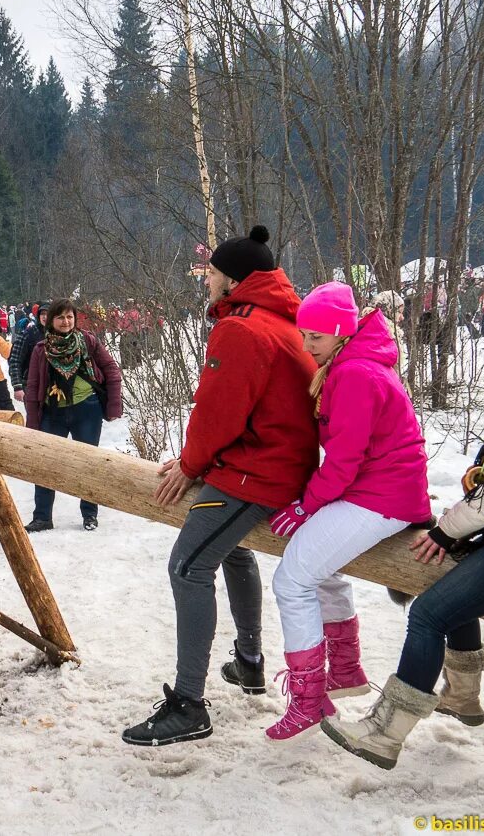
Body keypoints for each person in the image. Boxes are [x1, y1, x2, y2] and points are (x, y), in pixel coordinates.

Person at [323, 300, 484, 770]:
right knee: (448, 587)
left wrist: (447, 533)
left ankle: (384, 734)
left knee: (427, 614)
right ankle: (463, 696)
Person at [122, 225, 319, 747]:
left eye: (210, 273)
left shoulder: (242, 328)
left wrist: (189, 465)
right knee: (231, 553)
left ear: (232, 280)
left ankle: (189, 703)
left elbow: (218, 411)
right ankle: (251, 662)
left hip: (261, 472)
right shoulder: (280, 321)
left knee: (188, 566)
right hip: (274, 462)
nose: (205, 281)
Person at [263, 282, 430, 740]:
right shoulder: (351, 362)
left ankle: (309, 699)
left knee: (292, 580)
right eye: (303, 335)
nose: (306, 345)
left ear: (340, 333)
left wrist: (306, 506)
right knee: (316, 565)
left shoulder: (357, 374)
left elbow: (343, 460)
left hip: (381, 495)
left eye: (315, 337)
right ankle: (344, 667)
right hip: (378, 488)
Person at [24, 298, 123, 532]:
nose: (66, 321)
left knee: (88, 463)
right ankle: (42, 517)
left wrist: (113, 406)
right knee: (46, 463)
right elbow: (33, 385)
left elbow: (111, 369)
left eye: (69, 317)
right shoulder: (41, 349)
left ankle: (90, 514)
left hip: (86, 409)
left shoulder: (88, 341)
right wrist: (33, 420)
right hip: (53, 412)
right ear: (51, 321)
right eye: (60, 317)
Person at [9, 304, 47, 403]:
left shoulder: (58, 335)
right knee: (35, 416)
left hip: (51, 385)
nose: (45, 317)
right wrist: (17, 386)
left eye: (48, 314)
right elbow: (14, 360)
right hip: (30, 383)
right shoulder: (28, 333)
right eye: (42, 314)